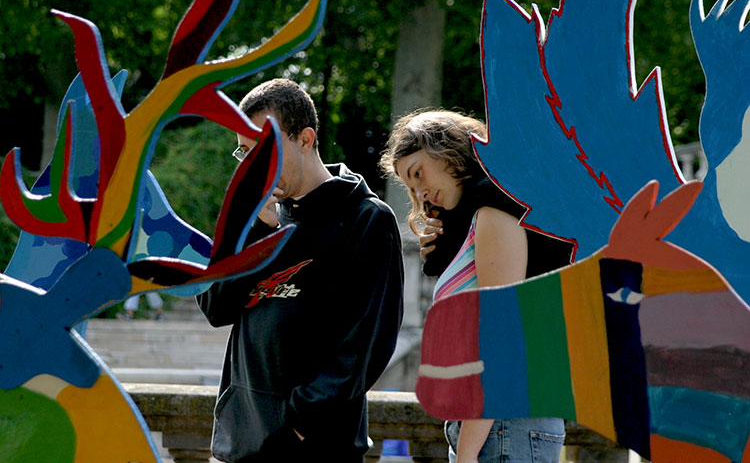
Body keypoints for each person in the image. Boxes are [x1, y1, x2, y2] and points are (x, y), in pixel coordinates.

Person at [196, 78, 404, 463]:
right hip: (239, 447)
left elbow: (366, 345)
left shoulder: (366, 219)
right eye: (243, 153)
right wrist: (254, 230)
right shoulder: (253, 216)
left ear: (305, 139)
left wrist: (296, 426)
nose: (251, 165)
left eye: (261, 149)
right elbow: (215, 307)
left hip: (316, 448)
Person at [380, 109, 573, 463]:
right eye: (410, 187)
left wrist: (467, 449)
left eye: (418, 174)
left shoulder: (495, 209)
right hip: (499, 420)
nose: (420, 193)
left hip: (502, 421)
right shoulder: (483, 214)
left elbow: (500, 336)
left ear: (446, 152)